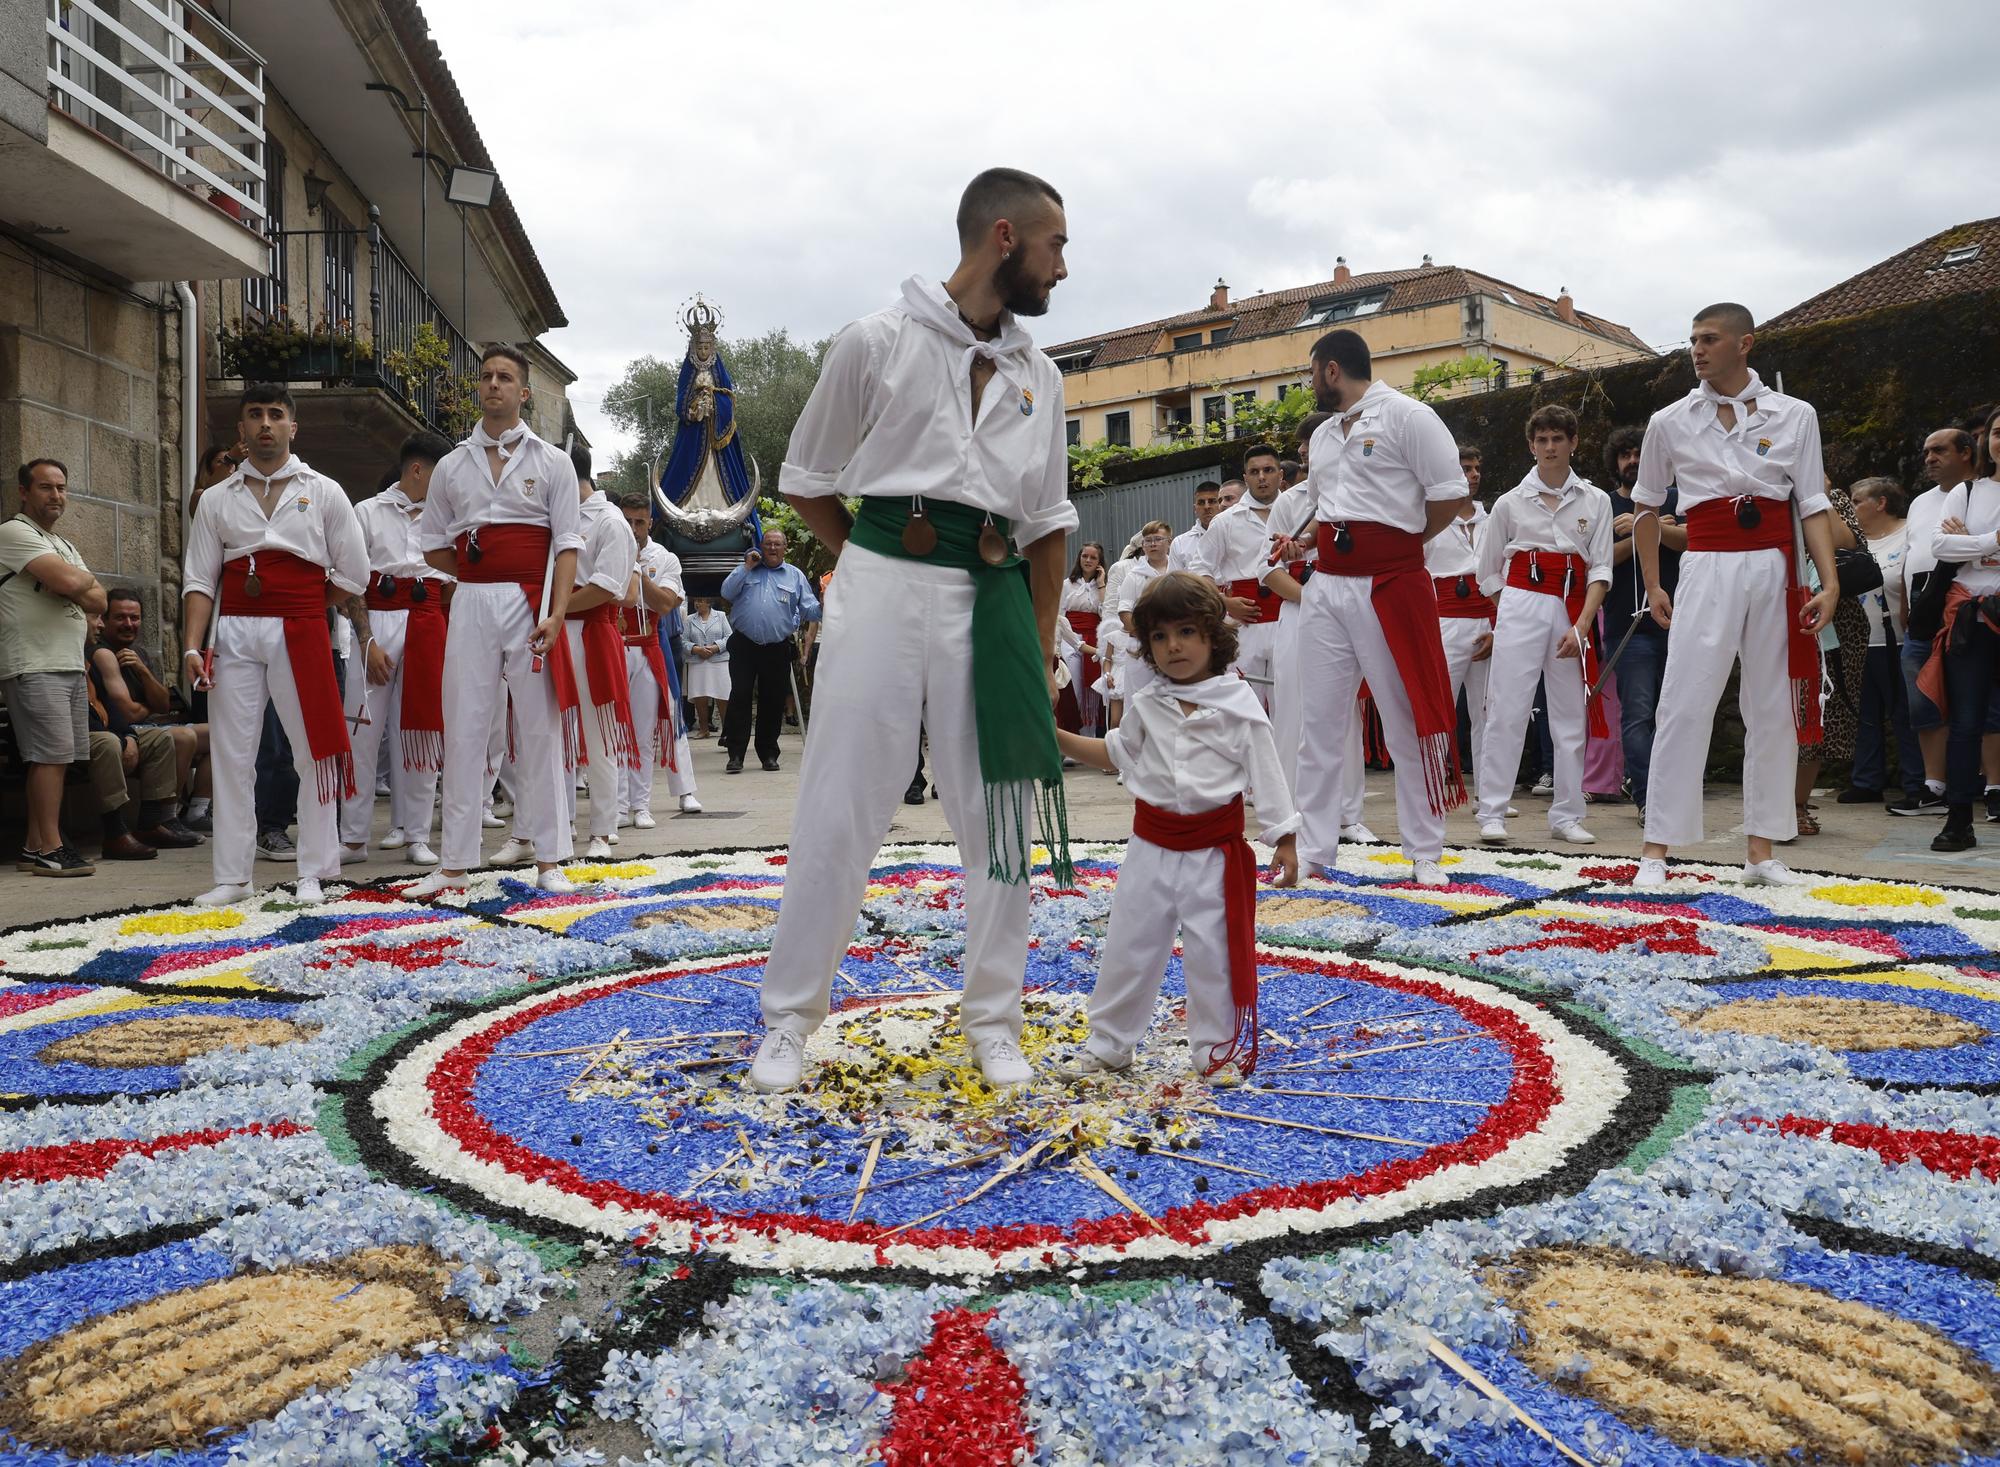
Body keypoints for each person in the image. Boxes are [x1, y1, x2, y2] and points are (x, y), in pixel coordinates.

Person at [748, 166, 1076, 1092]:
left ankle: (994, 1020)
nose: (1063, 268)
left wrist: (1042, 647)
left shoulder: (1039, 374)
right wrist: (873, 555)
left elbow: (1049, 523)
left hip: (994, 596)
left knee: (999, 809)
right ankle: (788, 1020)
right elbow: (808, 477)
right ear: (1004, 237)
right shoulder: (875, 341)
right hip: (885, 576)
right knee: (841, 800)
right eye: (1055, 245)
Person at [1055, 572, 1297, 1082]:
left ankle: (1217, 1051)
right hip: (1150, 848)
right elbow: (1114, 754)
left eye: (1186, 632)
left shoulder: (1239, 705)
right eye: (1160, 637)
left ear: (1213, 635)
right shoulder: (1146, 705)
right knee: (1130, 945)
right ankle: (1109, 1044)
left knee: (1214, 953)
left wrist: (1285, 837)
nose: (1173, 646)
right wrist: (1052, 735)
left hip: (1214, 853)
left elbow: (1266, 772)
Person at [1630, 303, 1839, 888]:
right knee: (1683, 701)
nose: (1696, 349)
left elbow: (1814, 505)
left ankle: (1761, 851)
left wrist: (1830, 582)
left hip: (1775, 566)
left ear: (1745, 343)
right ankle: (1655, 851)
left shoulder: (1795, 415)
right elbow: (1646, 507)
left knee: (1772, 707)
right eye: (1692, 338)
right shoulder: (1668, 420)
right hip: (1706, 563)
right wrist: (1652, 583)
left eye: (1709, 338)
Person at [1288, 329, 1469, 888]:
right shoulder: (1321, 437)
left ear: (1332, 369)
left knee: (1407, 717)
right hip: (1328, 585)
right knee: (1316, 723)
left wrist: (1402, 543)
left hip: (1391, 582)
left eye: (1310, 370)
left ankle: (1425, 852)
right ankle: (1316, 852)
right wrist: (1307, 542)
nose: (1308, 381)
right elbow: (1327, 510)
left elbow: (1449, 495)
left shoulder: (1408, 416)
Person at [181, 384, 369, 906]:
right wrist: (193, 647)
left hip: (302, 626)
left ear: (293, 427)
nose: (266, 423)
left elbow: (355, 572)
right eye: (255, 415)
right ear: (241, 431)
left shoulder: (325, 491)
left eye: (276, 415)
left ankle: (314, 868)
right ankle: (233, 877)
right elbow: (199, 580)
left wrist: (306, 601)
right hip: (235, 628)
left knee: (311, 751)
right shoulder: (216, 499)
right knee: (232, 752)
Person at [407, 344, 584, 899]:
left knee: (539, 727)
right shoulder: (452, 466)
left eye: (505, 377)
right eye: (486, 377)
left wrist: (556, 614)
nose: (494, 385)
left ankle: (550, 858)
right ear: (478, 388)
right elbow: (433, 544)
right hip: (473, 601)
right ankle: (454, 863)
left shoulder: (552, 462)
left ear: (523, 392)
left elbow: (567, 546)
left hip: (532, 601)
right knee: (465, 725)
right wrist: (476, 573)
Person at [1473, 405, 1613, 845]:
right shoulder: (1509, 503)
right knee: (1507, 708)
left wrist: (1583, 626)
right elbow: (1487, 571)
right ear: (1531, 445)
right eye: (1542, 440)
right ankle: (1492, 811)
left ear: (1573, 442)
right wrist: (1512, 608)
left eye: (1558, 438)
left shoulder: (1597, 500)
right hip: (1520, 601)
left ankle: (1567, 814)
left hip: (1571, 608)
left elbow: (1601, 570)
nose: (1550, 447)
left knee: (1570, 713)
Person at [337, 432, 451, 867]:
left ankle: (417, 835)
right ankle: (352, 838)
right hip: (377, 621)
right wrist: (366, 641)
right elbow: (349, 580)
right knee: (361, 732)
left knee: (421, 732)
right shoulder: (365, 512)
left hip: (427, 623)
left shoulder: (448, 516)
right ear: (418, 469)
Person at [2, 459, 106, 876]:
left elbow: (99, 600)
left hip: (65, 663)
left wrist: (73, 582)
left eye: (62, 488)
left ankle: (35, 843)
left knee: (58, 758)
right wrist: (72, 583)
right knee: (49, 756)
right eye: (46, 488)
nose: (56, 496)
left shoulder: (62, 544)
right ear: (25, 492)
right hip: (35, 659)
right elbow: (74, 585)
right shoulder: (13, 531)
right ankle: (51, 846)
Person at [1920, 406, 2000, 851]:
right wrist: (1991, 542)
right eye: (1996, 433)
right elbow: (1940, 545)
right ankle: (1958, 821)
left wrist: (1968, 544)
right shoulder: (1968, 492)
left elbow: (1956, 545)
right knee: (1966, 722)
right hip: (1971, 616)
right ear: (1986, 440)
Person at [1893, 428, 1977, 815]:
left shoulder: (1985, 494)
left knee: (1977, 696)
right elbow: (1915, 552)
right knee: (1922, 696)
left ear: (1966, 452)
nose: (1929, 458)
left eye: (1939, 450)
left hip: (1968, 599)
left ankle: (1987, 784)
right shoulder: (1920, 503)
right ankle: (1933, 787)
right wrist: (1908, 603)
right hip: (1921, 603)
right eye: (1926, 451)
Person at [1599, 425, 1681, 818]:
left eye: (1640, 454)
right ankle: (1649, 799)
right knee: (1638, 714)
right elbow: (1597, 563)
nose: (1633, 461)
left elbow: (1692, 539)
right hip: (1627, 628)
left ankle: (1672, 793)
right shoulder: (1605, 505)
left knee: (1678, 714)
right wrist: (1638, 535)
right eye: (1625, 454)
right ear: (1615, 462)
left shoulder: (1680, 498)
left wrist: (1648, 525)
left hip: (1681, 623)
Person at [1196, 444, 1301, 706]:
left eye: (1268, 470)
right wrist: (1224, 603)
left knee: (1291, 705)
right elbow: (1200, 569)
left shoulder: (1300, 514)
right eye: (1254, 472)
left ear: (1280, 474)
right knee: (1243, 705)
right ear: (1245, 477)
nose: (1262, 477)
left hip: (1292, 618)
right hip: (1245, 625)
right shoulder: (1225, 521)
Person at [1791, 481, 1867, 837]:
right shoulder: (1763, 491)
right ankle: (1769, 803)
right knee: (1778, 714)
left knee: (1817, 715)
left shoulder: (1833, 499)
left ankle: (1797, 805)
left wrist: (1818, 493)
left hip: (1835, 624)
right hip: (1777, 612)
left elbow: (1849, 542)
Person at [620, 491, 701, 822]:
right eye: (627, 521)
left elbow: (666, 604)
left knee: (669, 713)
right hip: (614, 641)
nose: (633, 528)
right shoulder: (605, 548)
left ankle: (684, 790)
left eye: (639, 522)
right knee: (613, 727)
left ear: (650, 523)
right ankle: (619, 803)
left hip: (655, 640)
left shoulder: (663, 556)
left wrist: (636, 571)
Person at [100, 589, 209, 834]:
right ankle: (165, 819)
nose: (129, 624)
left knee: (220, 734)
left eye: (135, 618)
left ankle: (197, 811)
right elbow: (127, 713)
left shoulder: (139, 654)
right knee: (183, 737)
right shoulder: (102, 653)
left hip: (151, 726)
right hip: (123, 732)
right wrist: (149, 706)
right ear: (104, 620)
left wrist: (143, 671)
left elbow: (164, 705)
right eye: (120, 618)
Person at [84, 611, 189, 858]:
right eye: (95, 618)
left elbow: (111, 706)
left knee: (160, 739)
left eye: (136, 617)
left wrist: (129, 736)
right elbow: (81, 715)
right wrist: (122, 737)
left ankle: (150, 824)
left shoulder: (94, 659)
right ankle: (115, 833)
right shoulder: (93, 655)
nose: (99, 625)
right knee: (109, 742)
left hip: (112, 730)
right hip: (85, 737)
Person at [719, 528, 820, 774]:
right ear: (760, 547)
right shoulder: (747, 569)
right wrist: (746, 567)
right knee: (740, 696)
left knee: (772, 701)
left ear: (785, 548)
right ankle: (736, 755)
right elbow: (726, 592)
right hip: (744, 644)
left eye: (777, 544)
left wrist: (831, 600)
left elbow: (810, 610)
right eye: (768, 544)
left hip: (777, 647)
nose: (772, 548)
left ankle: (768, 753)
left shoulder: (794, 576)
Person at [1846, 477, 1917, 804]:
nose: (1850, 506)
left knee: (1906, 714)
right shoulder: (1851, 540)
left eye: (1857, 500)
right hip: (1860, 642)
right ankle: (1866, 781)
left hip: (1901, 641)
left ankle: (1918, 783)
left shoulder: (1910, 530)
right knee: (1864, 715)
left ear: (1881, 503)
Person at [1429, 449, 1494, 793]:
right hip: (1445, 621)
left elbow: (1503, 574)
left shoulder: (1493, 519)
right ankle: (1433, 787)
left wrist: (1497, 627)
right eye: (1466, 469)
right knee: (1440, 707)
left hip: (1486, 620)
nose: (1473, 475)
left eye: (1476, 468)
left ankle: (1489, 793)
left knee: (1488, 711)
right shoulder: (1430, 520)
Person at [1116, 521, 1178, 702]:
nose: (1152, 544)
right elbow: (1125, 613)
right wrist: (1148, 638)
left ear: (1169, 542)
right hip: (1141, 646)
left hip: (1175, 644)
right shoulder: (1133, 576)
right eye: (1148, 540)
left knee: (1173, 697)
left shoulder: (1180, 571)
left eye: (1158, 539)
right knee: (1140, 699)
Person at [1057, 540, 1106, 736]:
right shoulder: (1067, 585)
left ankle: (1091, 737)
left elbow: (1106, 614)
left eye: (1093, 557)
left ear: (1100, 562)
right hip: (1071, 640)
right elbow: (1059, 616)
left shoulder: (1103, 586)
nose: (1088, 560)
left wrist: (1101, 585)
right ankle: (1072, 737)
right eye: (1085, 556)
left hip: (1095, 640)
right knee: (1074, 688)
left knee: (1094, 691)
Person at [681, 595, 732, 738]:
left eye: (701, 601)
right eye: (696, 600)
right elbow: (683, 641)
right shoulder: (689, 619)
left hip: (719, 660)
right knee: (699, 695)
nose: (698, 603)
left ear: (709, 602)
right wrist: (696, 649)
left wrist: (716, 647)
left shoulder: (721, 616)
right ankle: (703, 729)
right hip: (698, 662)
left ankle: (727, 731)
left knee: (723, 695)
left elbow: (729, 637)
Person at [1169, 482, 1220, 571]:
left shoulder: (1235, 535)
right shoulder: (1180, 543)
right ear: (1195, 508)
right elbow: (1175, 582)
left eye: (1212, 501)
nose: (1207, 506)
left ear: (1221, 504)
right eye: (1201, 502)